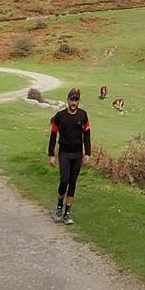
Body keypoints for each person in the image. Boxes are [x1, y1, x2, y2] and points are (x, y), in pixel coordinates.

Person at [48, 88, 91, 225]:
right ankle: (59, 208)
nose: (73, 102)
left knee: (73, 182)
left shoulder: (83, 115)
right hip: (64, 152)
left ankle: (67, 213)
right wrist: (51, 155)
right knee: (64, 180)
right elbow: (53, 136)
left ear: (78, 101)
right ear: (68, 100)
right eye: (71, 99)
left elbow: (87, 136)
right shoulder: (60, 116)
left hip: (77, 153)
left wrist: (88, 153)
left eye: (76, 100)